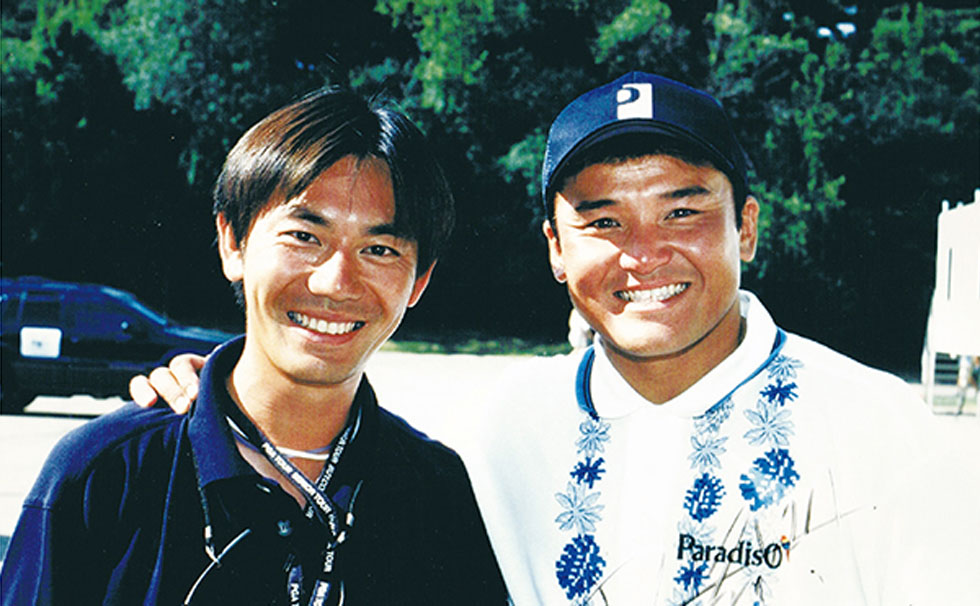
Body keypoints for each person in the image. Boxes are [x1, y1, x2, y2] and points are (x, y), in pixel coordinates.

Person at [126, 72, 941, 604]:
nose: (645, 253)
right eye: (602, 220)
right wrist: (213, 407)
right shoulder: (501, 432)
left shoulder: (880, 427)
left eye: (684, 212)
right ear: (555, 249)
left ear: (748, 229)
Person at [0, 87, 506, 605]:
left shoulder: (437, 494)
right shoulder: (107, 473)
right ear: (232, 243)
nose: (336, 282)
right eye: (305, 237)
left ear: (418, 283)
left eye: (378, 249)